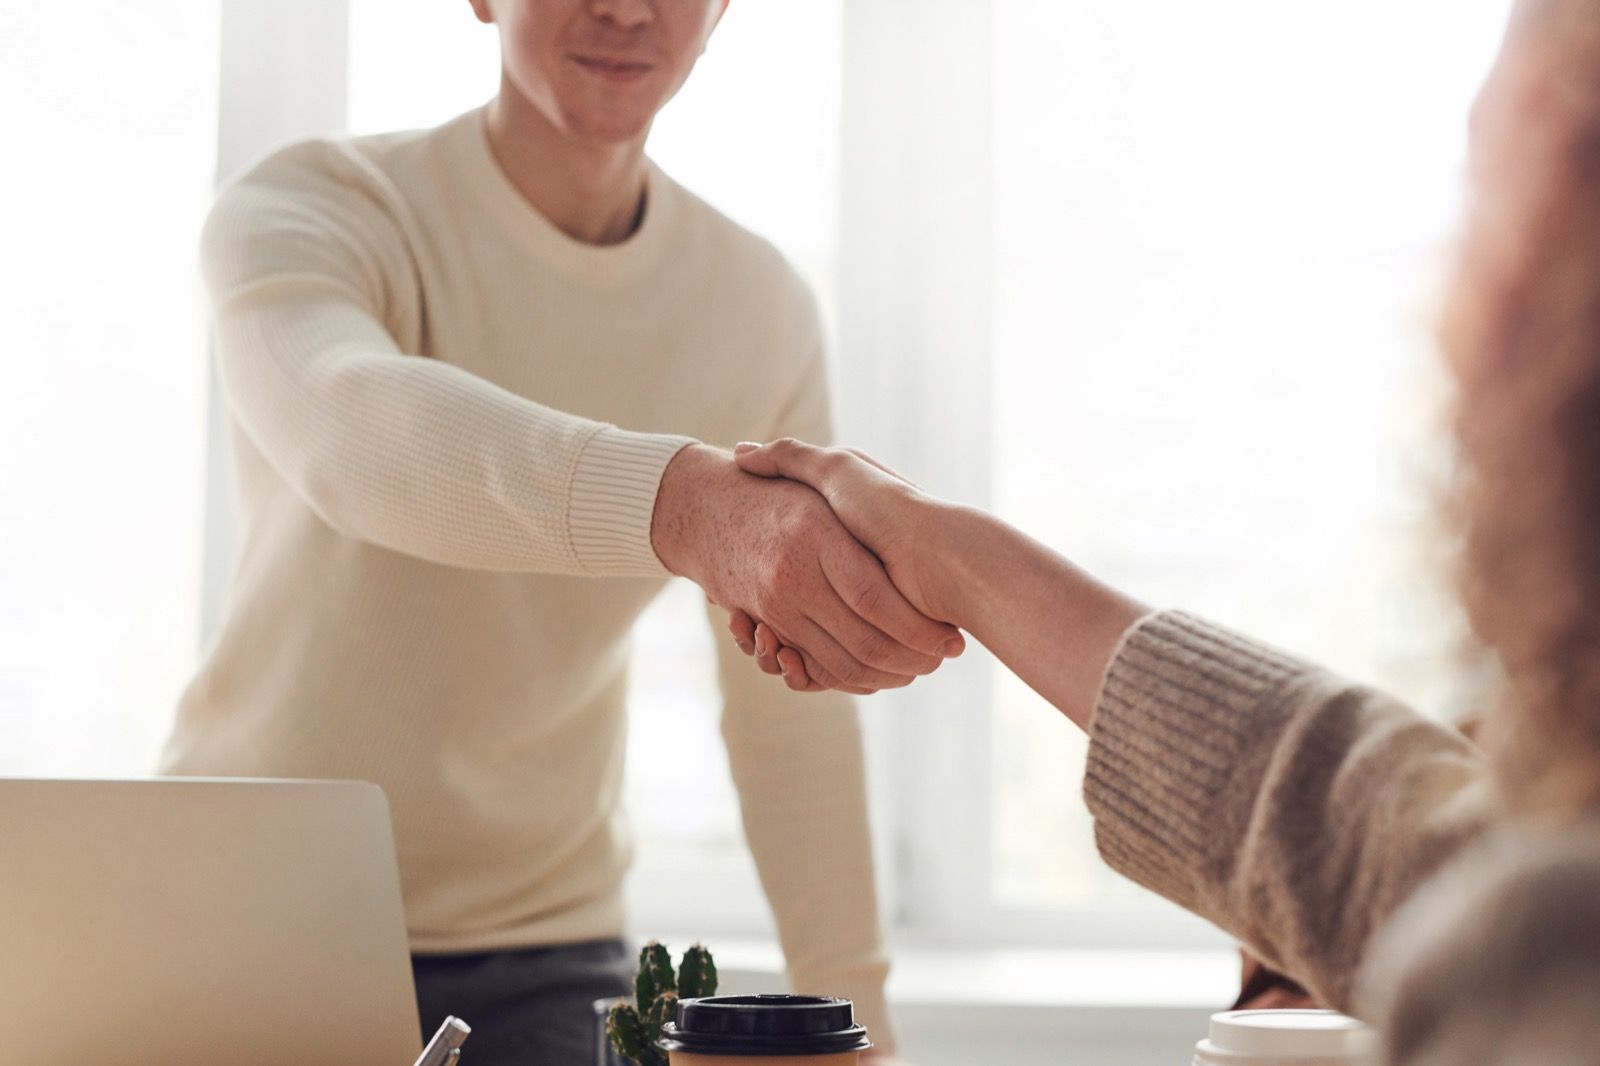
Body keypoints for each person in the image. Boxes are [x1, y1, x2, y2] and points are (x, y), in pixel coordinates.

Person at [725, 0, 1600, 1060]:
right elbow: (1387, 839)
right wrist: (956, 559)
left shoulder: (1544, 965)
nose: (1448, 313)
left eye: (1485, 212)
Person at [161, 1, 959, 1061]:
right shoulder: (316, 205)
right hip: (239, 909)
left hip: (544, 946)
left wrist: (861, 1016)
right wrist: (682, 506)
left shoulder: (755, 306)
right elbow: (351, 431)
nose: (626, 8)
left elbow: (790, 712)